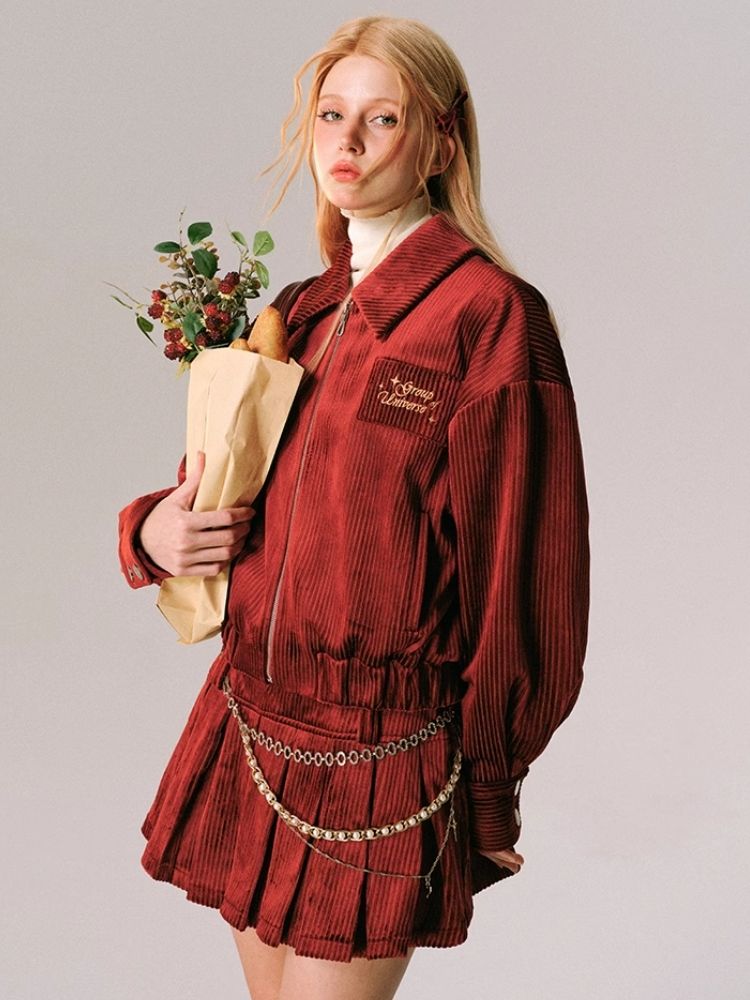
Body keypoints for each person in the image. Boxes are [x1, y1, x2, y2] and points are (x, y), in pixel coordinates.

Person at [118, 15, 590, 1000]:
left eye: (384, 118)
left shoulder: (491, 319)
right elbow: (232, 495)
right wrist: (152, 529)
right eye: (333, 116)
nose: (349, 142)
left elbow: (525, 580)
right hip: (250, 723)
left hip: (383, 756)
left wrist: (491, 790)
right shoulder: (297, 310)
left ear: (441, 143)